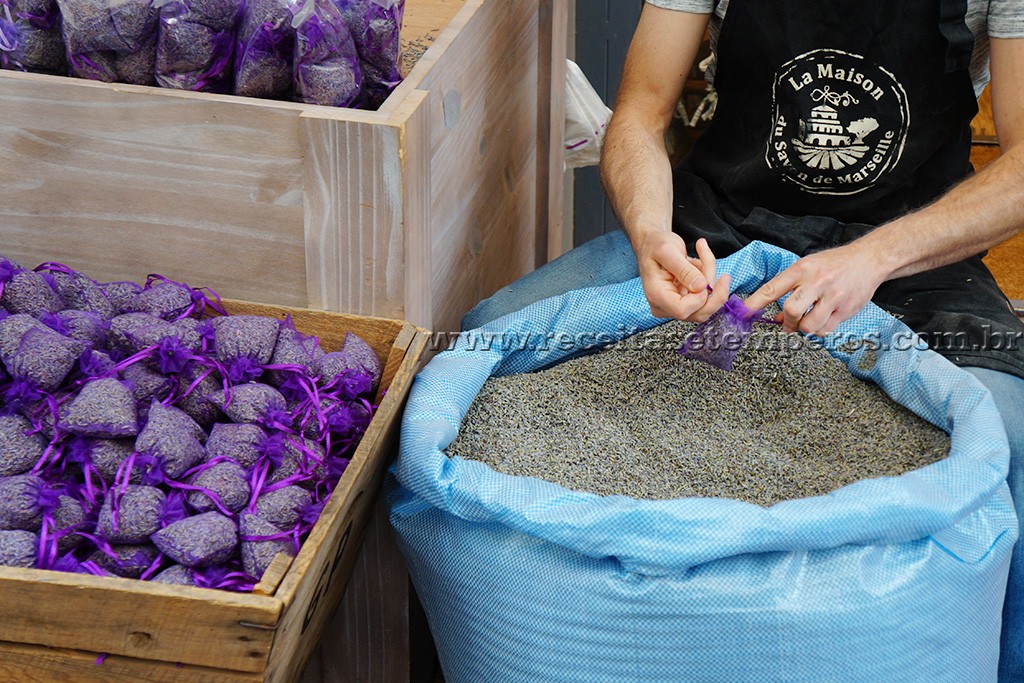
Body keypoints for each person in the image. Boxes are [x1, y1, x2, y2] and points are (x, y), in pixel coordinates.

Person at [462, 0, 1024, 679]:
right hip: (724, 245)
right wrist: (650, 237)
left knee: (1011, 437)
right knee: (489, 337)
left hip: (909, 262)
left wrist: (875, 258)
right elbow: (640, 111)